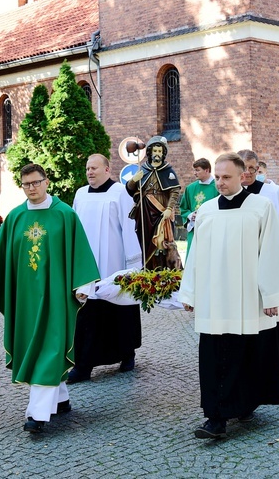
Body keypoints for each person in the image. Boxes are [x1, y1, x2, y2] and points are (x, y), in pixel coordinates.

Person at [178, 153, 279, 439]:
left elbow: (271, 252)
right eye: (217, 177)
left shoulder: (261, 207)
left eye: (226, 177)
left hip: (248, 297)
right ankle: (215, 418)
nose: (220, 182)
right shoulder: (206, 211)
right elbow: (195, 256)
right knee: (214, 355)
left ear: (242, 176)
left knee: (248, 353)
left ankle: (245, 404)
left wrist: (272, 297)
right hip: (215, 298)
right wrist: (190, 291)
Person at [0, 164, 99, 433]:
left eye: (36, 182)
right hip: (25, 301)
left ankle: (38, 414)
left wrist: (83, 286)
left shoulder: (64, 215)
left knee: (50, 347)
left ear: (46, 182)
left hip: (56, 298)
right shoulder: (15, 217)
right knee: (33, 346)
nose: (31, 188)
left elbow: (80, 252)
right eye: (26, 184)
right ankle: (61, 397)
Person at [68, 154, 143, 384]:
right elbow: (73, 227)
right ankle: (83, 365)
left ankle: (127, 353)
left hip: (114, 263)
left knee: (120, 310)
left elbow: (129, 227)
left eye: (94, 168)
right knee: (87, 315)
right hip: (87, 266)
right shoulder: (80, 194)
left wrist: (132, 264)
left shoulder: (120, 193)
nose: (90, 172)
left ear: (107, 170)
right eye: (87, 168)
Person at [237, 149, 279, 366]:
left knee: (273, 308)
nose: (247, 173)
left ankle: (276, 357)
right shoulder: (228, 195)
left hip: (269, 259)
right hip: (242, 264)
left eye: (251, 168)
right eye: (243, 168)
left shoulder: (270, 193)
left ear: (258, 169)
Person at [126, 136, 182, 270]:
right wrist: (134, 179)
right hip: (144, 211)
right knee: (145, 239)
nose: (157, 154)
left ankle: (163, 269)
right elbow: (130, 189)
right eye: (155, 151)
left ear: (163, 153)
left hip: (161, 209)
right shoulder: (143, 169)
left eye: (159, 151)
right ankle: (148, 267)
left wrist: (169, 208)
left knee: (161, 242)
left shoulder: (168, 170)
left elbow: (174, 191)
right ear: (150, 153)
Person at [179, 158, 218, 258]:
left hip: (211, 230)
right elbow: (184, 208)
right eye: (194, 170)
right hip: (194, 229)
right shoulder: (190, 188)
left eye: (197, 170)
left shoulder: (218, 187)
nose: (194, 173)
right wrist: (191, 215)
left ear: (207, 170)